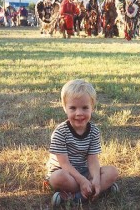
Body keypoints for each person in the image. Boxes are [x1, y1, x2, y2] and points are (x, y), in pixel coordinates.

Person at [46, 79, 119, 207]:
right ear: (65, 108)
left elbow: (93, 160)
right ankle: (98, 190)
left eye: (85, 107)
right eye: (73, 108)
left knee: (112, 172)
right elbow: (64, 164)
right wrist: (81, 180)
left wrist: (95, 179)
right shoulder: (60, 132)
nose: (79, 113)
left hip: (85, 171)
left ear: (92, 107)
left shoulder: (94, 131)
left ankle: (77, 197)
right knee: (57, 178)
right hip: (66, 173)